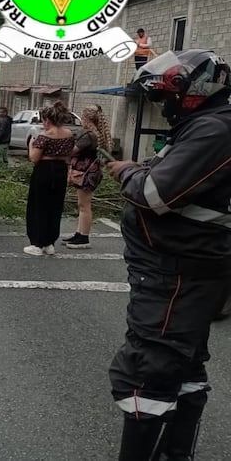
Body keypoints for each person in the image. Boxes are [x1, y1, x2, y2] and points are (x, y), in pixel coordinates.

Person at [106, 49, 231, 460]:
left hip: (177, 276)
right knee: (184, 366)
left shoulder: (215, 130)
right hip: (182, 272)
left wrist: (127, 171)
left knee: (149, 372)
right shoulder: (204, 127)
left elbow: (154, 192)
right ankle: (175, 454)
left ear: (193, 91)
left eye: (166, 97)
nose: (164, 105)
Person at [23, 101, 75, 256]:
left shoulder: (44, 136)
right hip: (60, 170)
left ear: (47, 119)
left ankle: (37, 243)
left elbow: (34, 158)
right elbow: (70, 153)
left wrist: (31, 145)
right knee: (55, 206)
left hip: (44, 170)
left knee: (39, 205)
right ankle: (49, 242)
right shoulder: (69, 134)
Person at [63, 105, 112, 249]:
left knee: (84, 205)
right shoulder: (97, 134)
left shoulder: (88, 135)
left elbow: (72, 151)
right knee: (83, 204)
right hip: (92, 172)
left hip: (86, 173)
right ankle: (79, 233)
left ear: (85, 118)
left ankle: (83, 237)